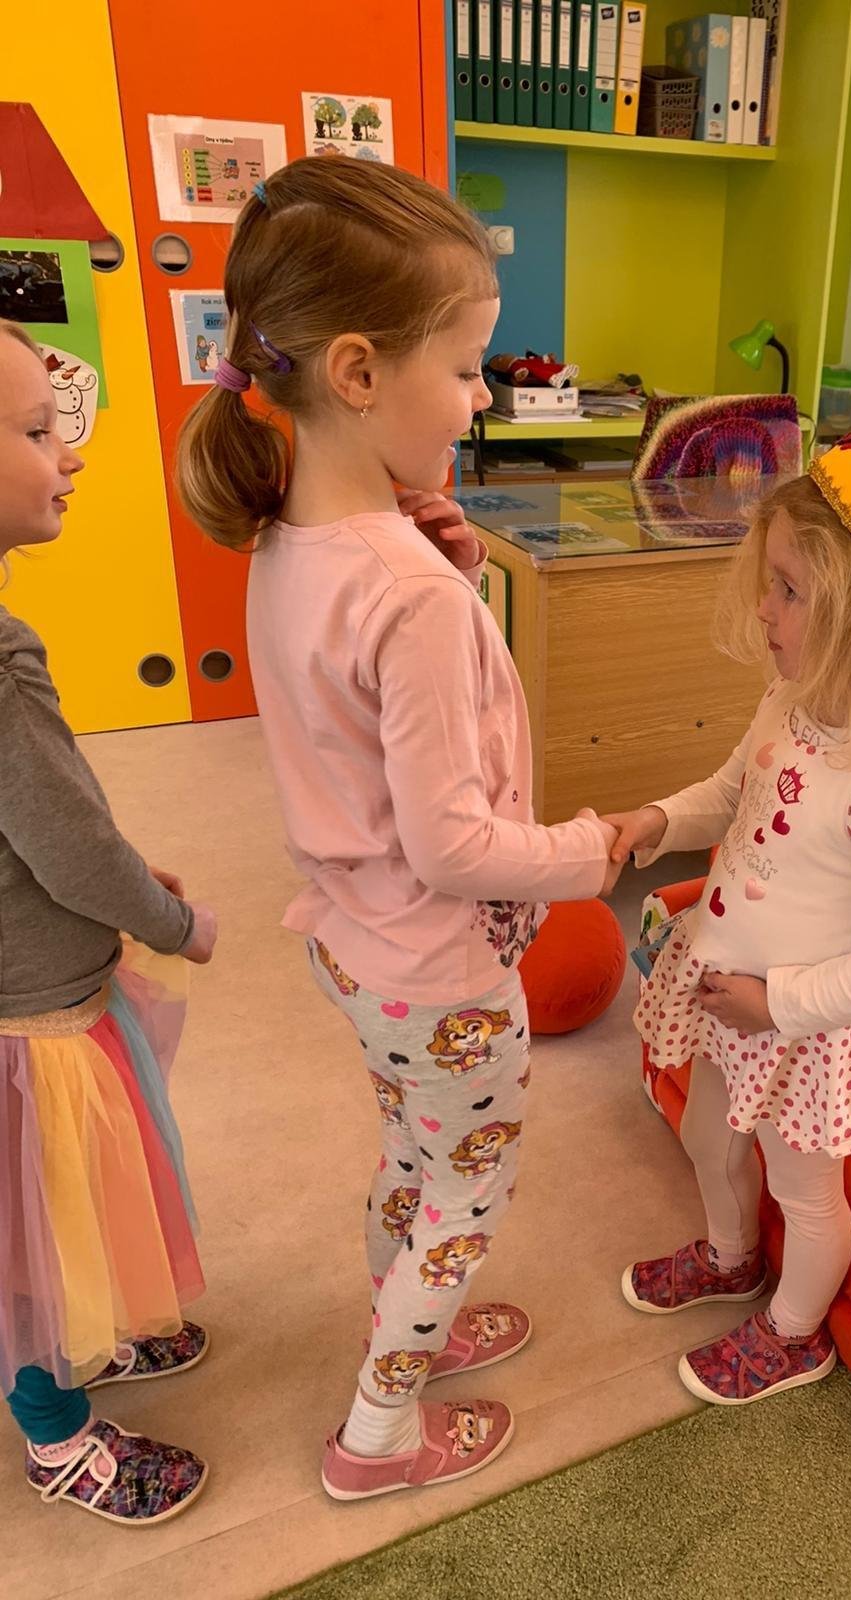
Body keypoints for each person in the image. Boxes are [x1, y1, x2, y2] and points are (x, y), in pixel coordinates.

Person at [176, 158, 620, 1500]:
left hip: (358, 949)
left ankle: (403, 1322)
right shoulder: (403, 590)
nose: (485, 396)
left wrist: (453, 569)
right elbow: (453, 845)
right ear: (360, 372)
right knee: (465, 1197)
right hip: (440, 970)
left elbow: (370, 719)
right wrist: (606, 843)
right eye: (471, 367)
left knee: (418, 1159)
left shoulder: (292, 540)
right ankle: (380, 1433)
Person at [603, 408, 851, 1406]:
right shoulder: (789, 704)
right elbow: (730, 792)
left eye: (788, 590)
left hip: (813, 1028)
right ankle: (731, 1257)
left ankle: (794, 1336)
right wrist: (656, 820)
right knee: (705, 1137)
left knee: (806, 1190)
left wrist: (777, 1003)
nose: (764, 609)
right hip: (730, 989)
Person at [0, 318, 218, 1523]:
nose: (71, 454)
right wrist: (170, 919)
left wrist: (120, 877)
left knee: (59, 1223)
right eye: (39, 431)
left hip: (29, 987)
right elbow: (69, 847)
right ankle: (56, 1433)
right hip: (26, 1022)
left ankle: (92, 1334)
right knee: (35, 1234)